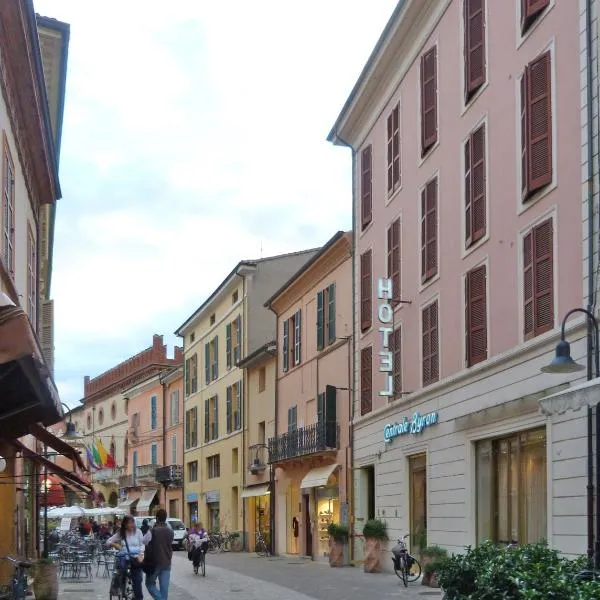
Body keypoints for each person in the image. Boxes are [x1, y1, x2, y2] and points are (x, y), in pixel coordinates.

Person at [106, 515, 145, 600]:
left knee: (138, 581)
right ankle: (120, 589)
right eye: (129, 523)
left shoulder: (138, 532)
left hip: (136, 559)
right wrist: (114, 544)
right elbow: (108, 541)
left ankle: (138, 597)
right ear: (125, 524)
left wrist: (140, 554)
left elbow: (142, 544)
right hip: (125, 559)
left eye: (132, 522)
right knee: (121, 575)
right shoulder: (121, 533)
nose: (132, 525)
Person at [143, 508, 174, 600]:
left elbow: (144, 541)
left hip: (154, 562)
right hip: (167, 562)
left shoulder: (153, 531)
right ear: (165, 518)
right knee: (164, 590)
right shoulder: (170, 531)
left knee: (149, 584)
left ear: (157, 518)